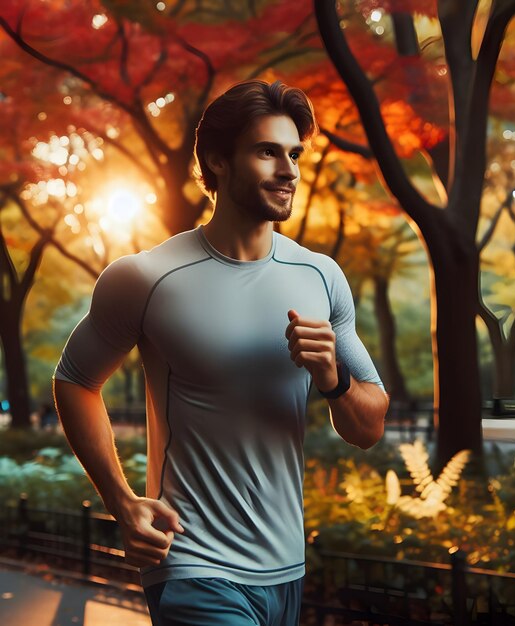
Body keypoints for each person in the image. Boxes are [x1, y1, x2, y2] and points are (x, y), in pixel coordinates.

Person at [52, 79, 389, 626]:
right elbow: (74, 379)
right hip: (190, 563)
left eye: (294, 154)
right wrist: (122, 501)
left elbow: (369, 426)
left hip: (285, 570)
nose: (290, 171)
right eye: (267, 152)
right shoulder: (147, 276)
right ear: (218, 162)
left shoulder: (321, 277)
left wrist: (332, 379)